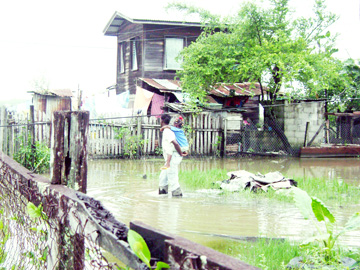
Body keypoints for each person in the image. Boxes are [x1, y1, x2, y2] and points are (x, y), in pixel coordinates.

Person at [158, 114, 186, 197]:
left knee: (172, 176)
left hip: (173, 157)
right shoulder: (168, 130)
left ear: (162, 121)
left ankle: (177, 196)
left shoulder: (167, 131)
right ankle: (163, 194)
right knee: (163, 177)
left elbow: (175, 143)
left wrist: (180, 153)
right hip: (170, 157)